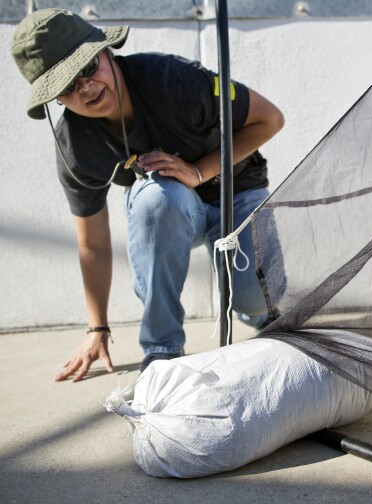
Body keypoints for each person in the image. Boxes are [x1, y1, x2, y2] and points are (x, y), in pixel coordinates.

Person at [10, 8, 284, 381]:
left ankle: (264, 314)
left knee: (255, 300)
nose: (85, 88)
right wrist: (97, 327)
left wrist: (200, 170)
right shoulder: (74, 146)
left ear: (107, 51)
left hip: (238, 191)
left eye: (88, 68)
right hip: (171, 207)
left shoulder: (175, 80)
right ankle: (162, 352)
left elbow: (270, 119)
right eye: (66, 86)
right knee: (158, 198)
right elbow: (92, 243)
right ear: (55, 98)